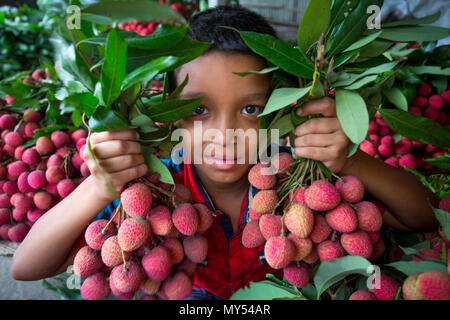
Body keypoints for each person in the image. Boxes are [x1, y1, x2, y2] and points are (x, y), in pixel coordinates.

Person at [11, 5, 439, 300]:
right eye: (197, 109)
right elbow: (27, 267)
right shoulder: (157, 185)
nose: (225, 133)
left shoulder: (299, 178)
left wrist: (347, 160)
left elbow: (424, 217)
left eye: (251, 109)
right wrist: (99, 189)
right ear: (171, 116)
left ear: (281, 109)